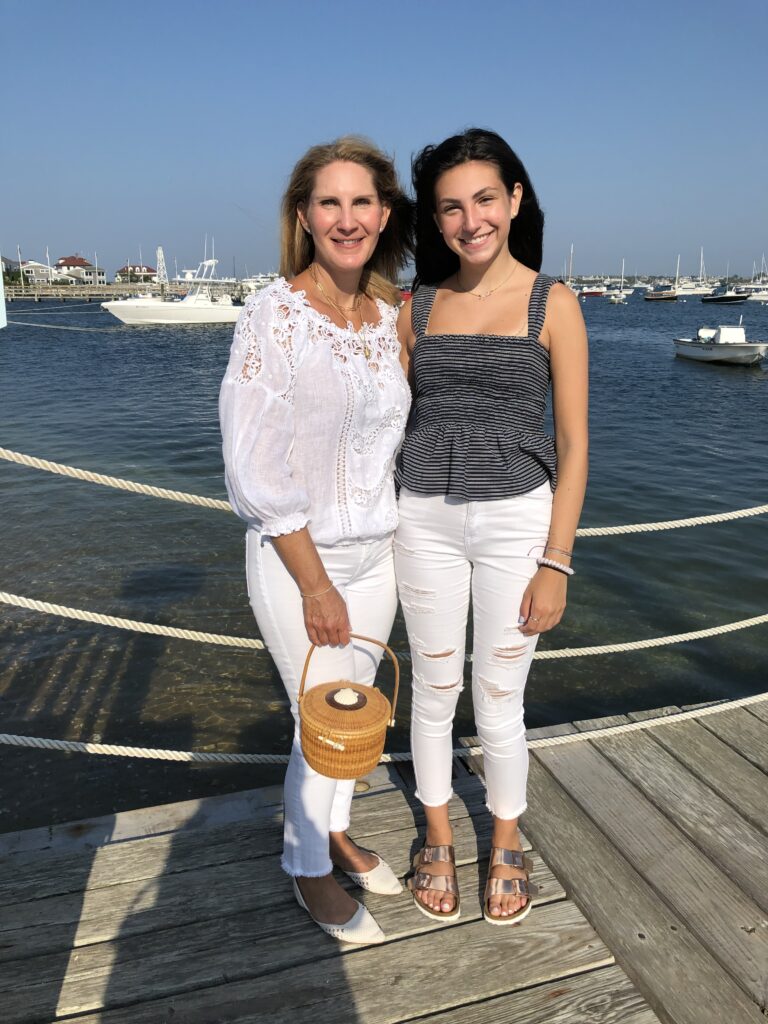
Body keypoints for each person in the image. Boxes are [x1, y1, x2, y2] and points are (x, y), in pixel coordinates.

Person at [220, 137, 413, 944]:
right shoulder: (275, 316)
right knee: (318, 724)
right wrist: (317, 586)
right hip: (304, 562)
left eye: (361, 201)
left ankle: (332, 833)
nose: (346, 218)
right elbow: (253, 468)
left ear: (384, 213)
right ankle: (306, 867)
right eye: (328, 203)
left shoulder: (389, 316)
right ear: (304, 216)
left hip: (380, 556)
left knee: (355, 718)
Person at [395, 128, 588, 926]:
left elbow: (575, 443)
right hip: (422, 521)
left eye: (483, 198)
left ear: (513, 200)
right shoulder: (417, 306)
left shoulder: (556, 303)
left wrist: (558, 562)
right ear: (434, 221)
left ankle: (506, 837)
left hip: (517, 523)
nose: (469, 219)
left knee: (500, 699)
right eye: (450, 207)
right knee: (436, 690)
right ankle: (438, 833)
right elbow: (379, 417)